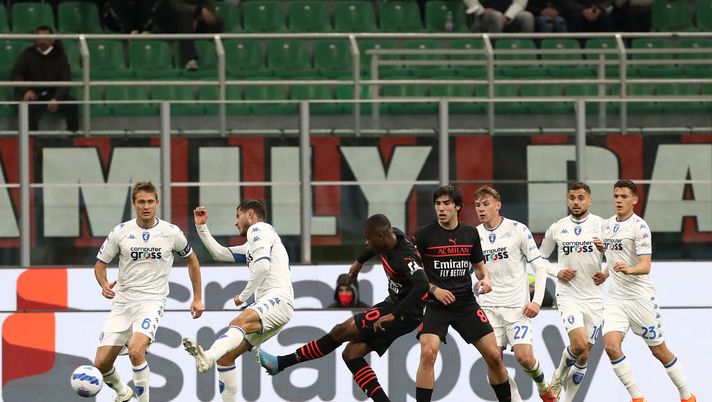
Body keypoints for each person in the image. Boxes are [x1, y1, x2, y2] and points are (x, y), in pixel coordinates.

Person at [351, 185, 517, 402]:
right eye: (438, 204)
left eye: (447, 203)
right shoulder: (422, 235)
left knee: (495, 356)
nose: (441, 208)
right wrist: (435, 290)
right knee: (428, 354)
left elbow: (478, 266)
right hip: (434, 305)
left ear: (457, 206)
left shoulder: (470, 233)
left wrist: (484, 279)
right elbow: (397, 252)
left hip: (465, 303)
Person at [257, 214, 429, 402]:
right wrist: (360, 260)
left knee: (341, 330)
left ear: (380, 237)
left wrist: (394, 315)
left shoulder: (405, 257)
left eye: (368, 240)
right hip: (394, 304)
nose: (366, 243)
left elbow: (422, 285)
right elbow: (378, 244)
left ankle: (281, 363)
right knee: (351, 354)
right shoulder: (392, 236)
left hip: (404, 313)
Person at [93, 181, 205, 402]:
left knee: (136, 351)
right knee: (101, 364)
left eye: (150, 202)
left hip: (152, 301)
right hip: (123, 302)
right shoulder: (121, 232)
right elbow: (100, 265)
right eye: (141, 202)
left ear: (157, 203)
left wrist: (198, 298)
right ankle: (123, 393)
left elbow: (192, 261)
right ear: (134, 203)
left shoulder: (171, 232)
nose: (146, 206)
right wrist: (104, 283)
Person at [593, 180, 696, 402]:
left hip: (640, 299)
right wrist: (605, 273)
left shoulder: (640, 227)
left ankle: (687, 395)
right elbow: (614, 258)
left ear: (635, 199)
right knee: (611, 346)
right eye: (616, 196)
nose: (618, 200)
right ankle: (637, 397)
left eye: (623, 196)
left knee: (659, 351)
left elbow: (645, 266)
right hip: (616, 299)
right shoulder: (607, 225)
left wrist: (629, 270)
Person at [182, 200, 294, 402]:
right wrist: (201, 227)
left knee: (238, 323)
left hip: (278, 298)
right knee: (226, 357)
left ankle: (207, 356)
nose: (236, 223)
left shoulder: (258, 229)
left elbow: (262, 268)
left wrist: (243, 296)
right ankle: (212, 358)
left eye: (237, 216)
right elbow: (219, 253)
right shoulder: (254, 244)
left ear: (250, 214)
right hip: (276, 307)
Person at [474, 186, 558, 402]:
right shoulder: (474, 235)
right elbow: (473, 269)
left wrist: (537, 302)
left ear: (498, 205)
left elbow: (539, 267)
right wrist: (480, 282)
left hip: (517, 308)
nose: (481, 209)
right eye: (477, 205)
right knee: (493, 362)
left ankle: (542, 387)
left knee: (524, 358)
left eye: (486, 204)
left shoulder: (517, 230)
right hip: (489, 308)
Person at [538, 182, 605, 402]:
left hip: (594, 297)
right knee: (578, 344)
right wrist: (557, 272)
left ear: (589, 201)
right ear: (568, 200)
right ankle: (557, 379)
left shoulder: (602, 226)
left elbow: (620, 259)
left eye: (580, 198)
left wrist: (605, 272)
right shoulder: (558, 228)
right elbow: (539, 260)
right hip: (569, 295)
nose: (576, 202)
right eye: (572, 198)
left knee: (584, 355)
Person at [11, 26, 79, 132]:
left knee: (71, 105)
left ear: (52, 40)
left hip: (53, 94)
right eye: (39, 37)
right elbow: (16, 74)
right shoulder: (28, 53)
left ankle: (73, 137)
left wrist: (57, 98)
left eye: (45, 38)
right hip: (34, 94)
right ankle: (32, 140)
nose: (42, 40)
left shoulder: (60, 56)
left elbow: (66, 80)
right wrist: (26, 90)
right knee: (27, 107)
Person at [154, 0, 224, 70]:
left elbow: (209, 9)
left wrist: (197, 19)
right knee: (185, 16)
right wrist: (198, 10)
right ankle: (191, 59)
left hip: (193, 19)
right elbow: (176, 6)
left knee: (217, 23)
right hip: (170, 19)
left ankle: (216, 59)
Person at [463, 0, 535, 33]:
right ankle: (492, 54)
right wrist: (481, 11)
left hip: (508, 16)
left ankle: (523, 52)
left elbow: (520, 3)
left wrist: (507, 16)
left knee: (527, 17)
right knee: (497, 17)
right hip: (484, 16)